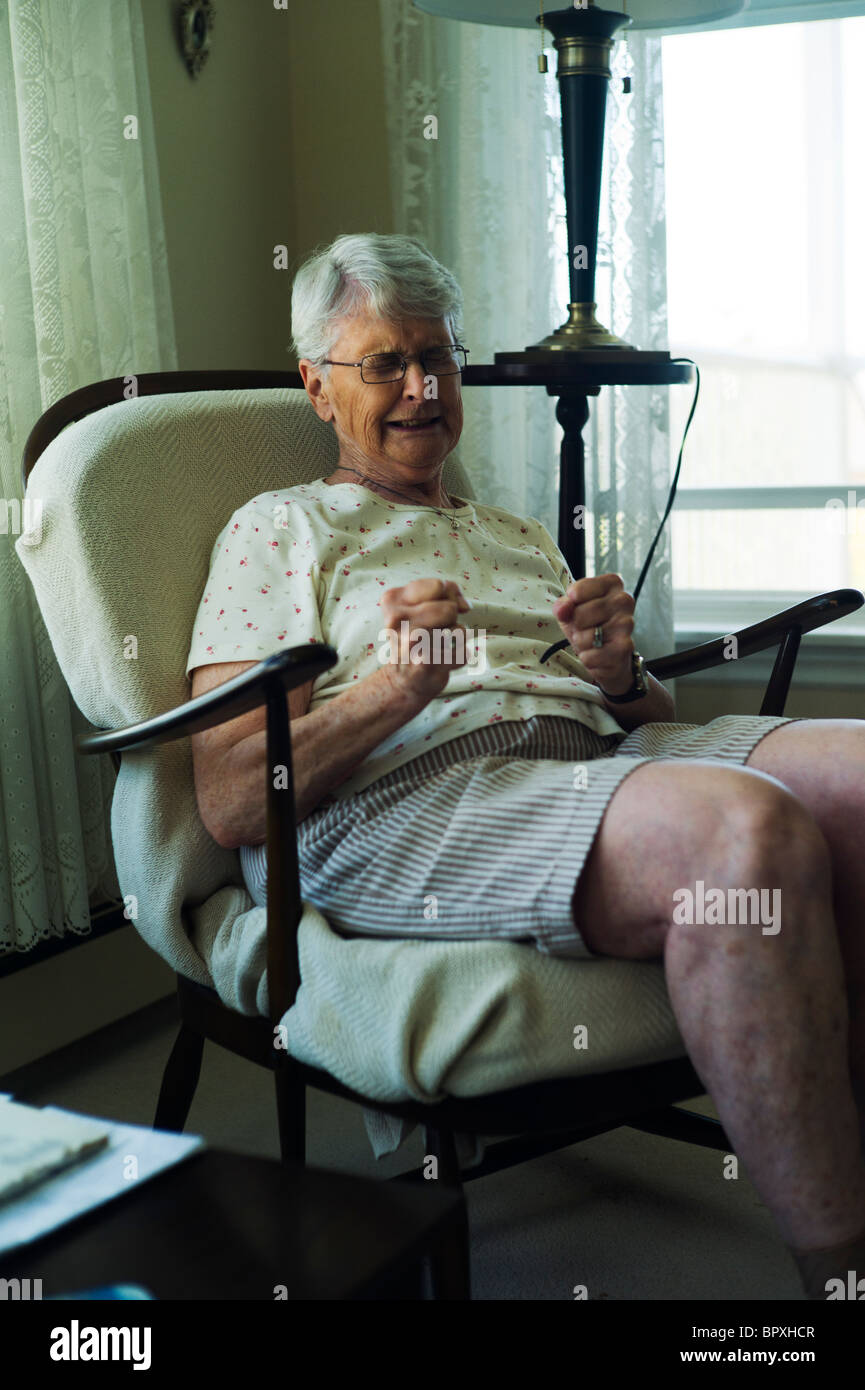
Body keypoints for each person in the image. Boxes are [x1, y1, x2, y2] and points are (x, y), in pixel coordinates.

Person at [186, 232, 865, 1300]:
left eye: (442, 358)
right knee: (746, 836)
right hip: (413, 801)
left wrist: (617, 668)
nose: (423, 387)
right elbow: (230, 796)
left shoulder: (509, 531)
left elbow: (641, 713)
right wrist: (390, 691)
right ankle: (842, 1281)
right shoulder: (276, 529)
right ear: (317, 386)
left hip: (591, 757)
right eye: (386, 363)